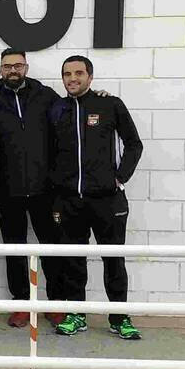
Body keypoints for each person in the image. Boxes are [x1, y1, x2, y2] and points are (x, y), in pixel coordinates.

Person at [48, 55, 144, 340]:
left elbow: (134, 144)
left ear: (90, 77)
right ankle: (77, 315)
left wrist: (119, 177)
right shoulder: (57, 109)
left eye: (79, 73)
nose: (72, 78)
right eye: (67, 73)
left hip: (107, 200)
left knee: (113, 261)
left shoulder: (109, 104)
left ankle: (120, 317)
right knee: (74, 262)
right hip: (70, 201)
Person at [0, 48, 66, 328]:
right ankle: (21, 305)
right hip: (9, 191)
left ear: (26, 67)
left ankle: (56, 305)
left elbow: (73, 116)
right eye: (7, 67)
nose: (13, 71)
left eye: (18, 65)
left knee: (52, 248)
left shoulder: (46, 96)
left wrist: (98, 96)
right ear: (0, 69)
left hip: (45, 190)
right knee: (14, 250)